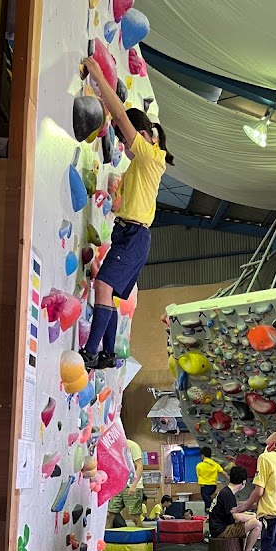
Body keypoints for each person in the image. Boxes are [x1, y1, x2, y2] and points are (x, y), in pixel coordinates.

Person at [79, 57, 173, 370]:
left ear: (143, 133)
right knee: (111, 293)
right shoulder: (143, 165)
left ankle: (91, 352)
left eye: (125, 139)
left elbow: (119, 115)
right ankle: (106, 352)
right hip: (130, 235)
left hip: (134, 236)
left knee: (103, 287)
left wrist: (98, 79)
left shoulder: (148, 155)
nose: (124, 146)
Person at [208, 465, 262, 551]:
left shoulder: (226, 492)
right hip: (221, 531)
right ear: (244, 482)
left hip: (218, 528)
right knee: (257, 524)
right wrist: (256, 516)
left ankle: (245, 550)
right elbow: (238, 517)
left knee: (249, 520)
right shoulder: (228, 495)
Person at [107, 437, 144, 527]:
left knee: (135, 517)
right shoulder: (113, 447)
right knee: (110, 514)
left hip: (132, 484)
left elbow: (139, 466)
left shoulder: (132, 446)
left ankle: (146, 539)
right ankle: (106, 538)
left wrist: (134, 485)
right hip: (119, 485)